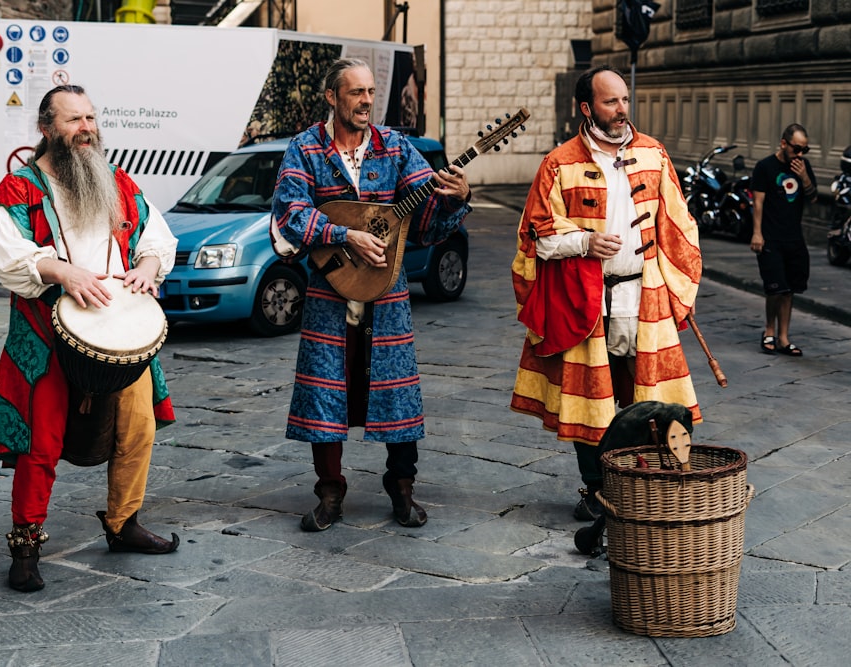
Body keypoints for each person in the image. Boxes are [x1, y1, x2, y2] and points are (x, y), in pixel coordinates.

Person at [0, 84, 180, 593]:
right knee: (39, 445)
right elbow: (5, 249)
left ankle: (123, 523)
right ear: (46, 128)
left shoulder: (117, 181)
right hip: (48, 331)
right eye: (73, 120)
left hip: (119, 332)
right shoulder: (19, 188)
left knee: (138, 431)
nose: (85, 128)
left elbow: (156, 236)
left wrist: (148, 268)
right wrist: (62, 272)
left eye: (90, 118)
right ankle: (25, 547)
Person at [271, 58, 472, 531]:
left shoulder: (396, 147)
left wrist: (456, 198)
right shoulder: (305, 149)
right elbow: (289, 213)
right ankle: (330, 492)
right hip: (329, 291)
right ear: (332, 97)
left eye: (369, 92)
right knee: (326, 392)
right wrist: (344, 234)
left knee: (397, 391)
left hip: (387, 294)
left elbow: (424, 221)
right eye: (356, 92)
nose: (365, 101)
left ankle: (402, 489)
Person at [509, 65, 703, 520]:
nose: (622, 110)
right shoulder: (559, 163)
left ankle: (643, 484)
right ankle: (596, 490)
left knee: (649, 400)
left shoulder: (654, 154)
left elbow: (679, 226)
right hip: (586, 301)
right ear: (586, 108)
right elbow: (534, 236)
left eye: (624, 100)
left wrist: (679, 290)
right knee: (588, 403)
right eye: (610, 102)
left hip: (644, 297)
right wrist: (585, 242)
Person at [749, 123, 817, 357]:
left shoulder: (802, 167)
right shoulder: (765, 167)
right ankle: (769, 330)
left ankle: (784, 338)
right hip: (770, 237)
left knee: (789, 290)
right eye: (796, 149)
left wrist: (804, 177)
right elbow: (757, 203)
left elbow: (814, 197)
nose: (799, 155)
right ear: (784, 143)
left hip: (794, 238)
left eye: (804, 150)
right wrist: (757, 233)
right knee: (775, 288)